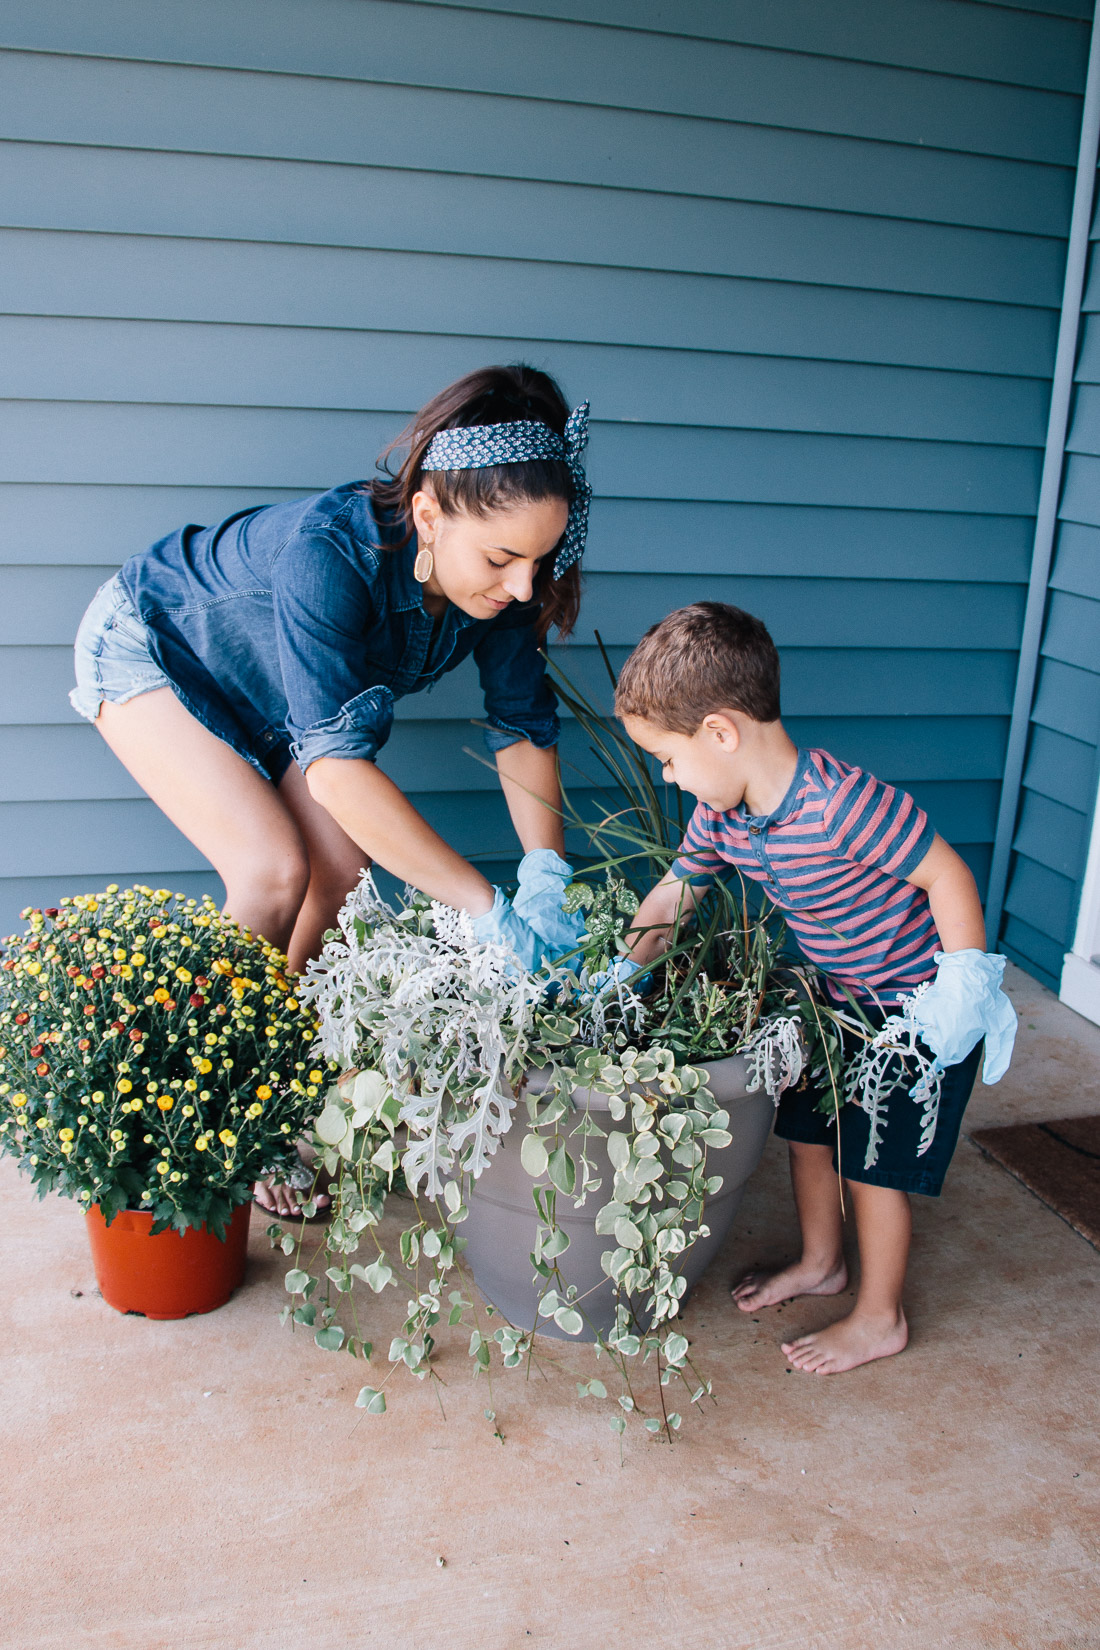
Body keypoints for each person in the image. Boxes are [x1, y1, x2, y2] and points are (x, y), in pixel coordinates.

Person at [69, 364, 589, 1216]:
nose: (524, 585)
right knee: (273, 871)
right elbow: (340, 772)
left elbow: (523, 730)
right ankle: (202, 1114)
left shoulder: (503, 591)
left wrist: (546, 873)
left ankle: (270, 1077)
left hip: (286, 701)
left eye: (540, 559)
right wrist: (484, 910)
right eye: (502, 558)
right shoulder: (330, 551)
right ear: (428, 512)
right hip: (156, 645)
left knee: (340, 881)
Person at [611, 602, 1017, 1375]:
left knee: (871, 1165)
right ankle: (822, 1264)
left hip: (912, 1009)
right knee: (808, 1135)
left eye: (667, 757)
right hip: (837, 997)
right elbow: (673, 895)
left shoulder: (841, 805)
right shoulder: (724, 815)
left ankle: (878, 1315)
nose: (668, 776)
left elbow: (946, 873)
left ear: (721, 733)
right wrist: (621, 972)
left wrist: (962, 985)